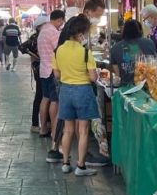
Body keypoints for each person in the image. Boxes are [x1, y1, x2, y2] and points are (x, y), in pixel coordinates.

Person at [52, 15, 99, 177]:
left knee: (68, 130)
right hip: (83, 91)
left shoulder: (58, 50)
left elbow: (57, 75)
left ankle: (65, 163)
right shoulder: (85, 52)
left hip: (66, 91)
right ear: (80, 33)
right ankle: (81, 166)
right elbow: (93, 78)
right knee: (83, 130)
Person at [38, 10, 66, 155]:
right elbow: (59, 50)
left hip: (43, 69)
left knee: (45, 98)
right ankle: (54, 132)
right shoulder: (53, 32)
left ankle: (43, 128)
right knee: (54, 101)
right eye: (62, 21)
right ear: (60, 20)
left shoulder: (43, 31)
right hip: (52, 70)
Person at [110, 19, 157, 86]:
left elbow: (117, 75)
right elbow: (155, 64)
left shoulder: (115, 48)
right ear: (140, 30)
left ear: (124, 31)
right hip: (148, 86)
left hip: (126, 88)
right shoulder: (149, 43)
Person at [21, 16, 47, 133]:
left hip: (42, 68)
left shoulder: (40, 36)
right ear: (40, 26)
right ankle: (36, 124)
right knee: (41, 95)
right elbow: (22, 47)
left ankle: (41, 123)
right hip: (40, 68)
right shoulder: (36, 37)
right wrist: (35, 57)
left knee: (42, 96)